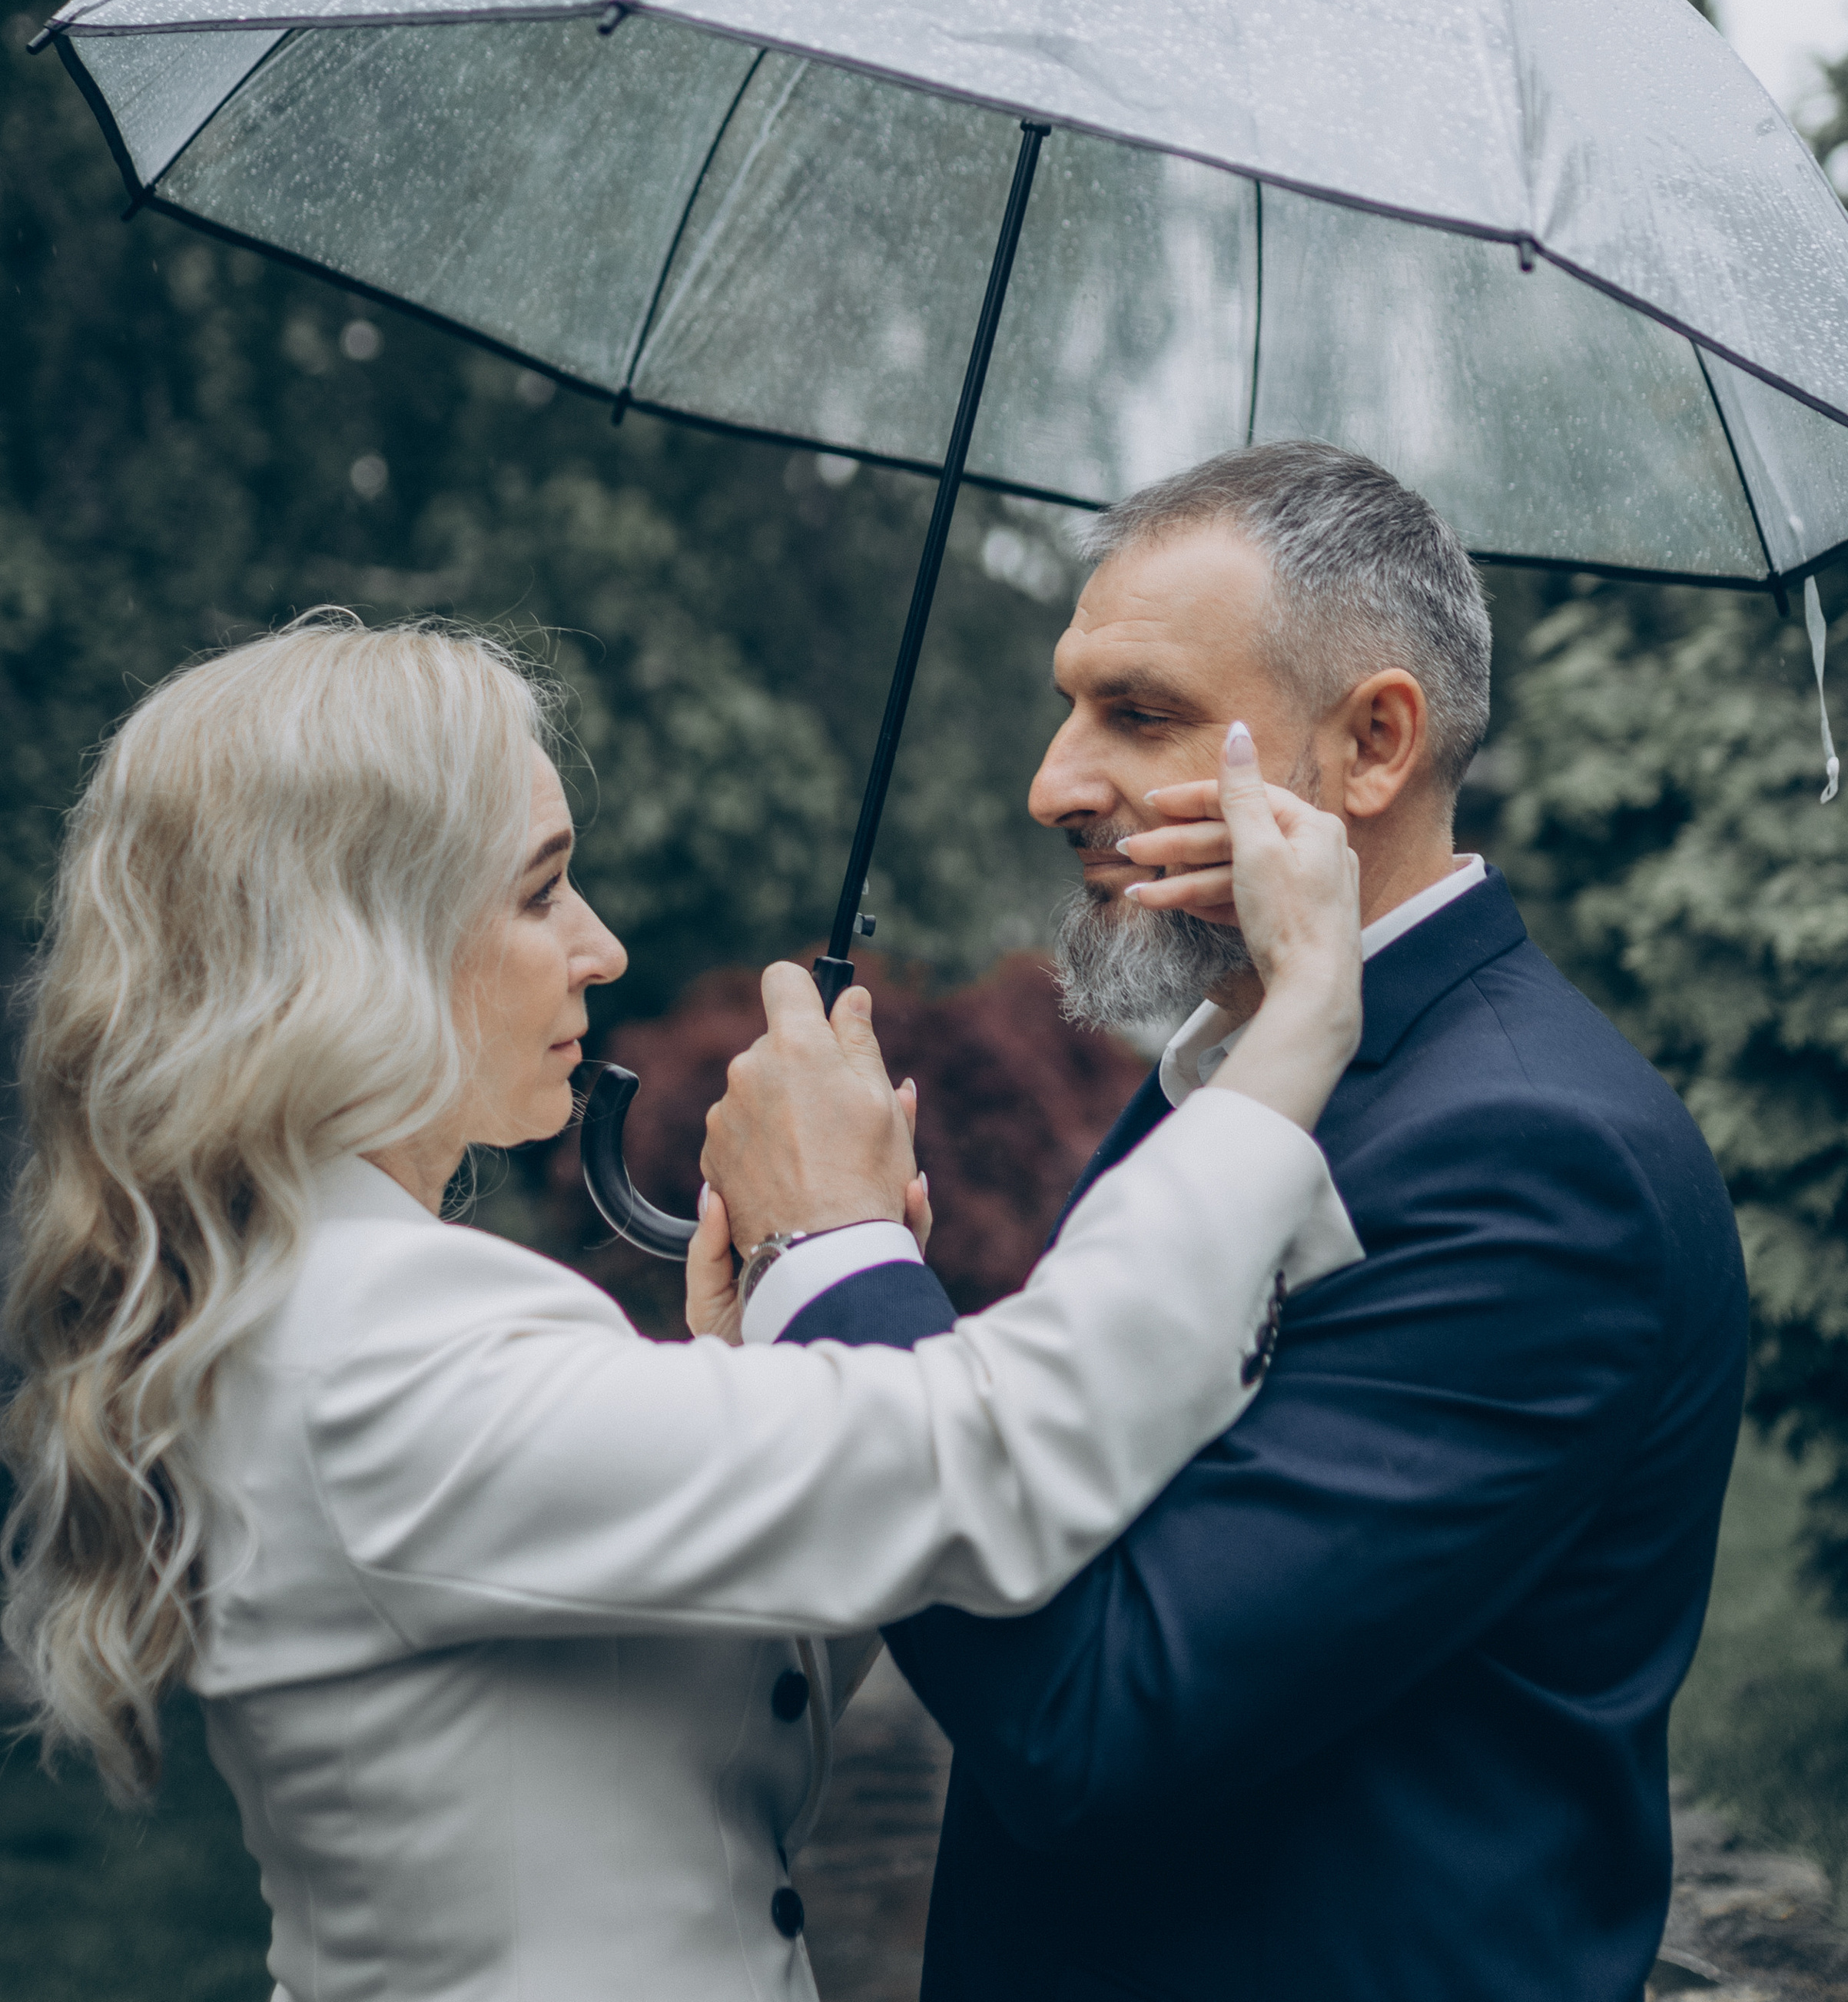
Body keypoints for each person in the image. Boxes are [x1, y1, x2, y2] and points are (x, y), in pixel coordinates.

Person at [0, 613, 1369, 2002]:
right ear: (352, 951)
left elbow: (700, 1702)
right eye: (540, 895)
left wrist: (750, 1350)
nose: (600, 948)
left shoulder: (351, 1308)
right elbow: (999, 1458)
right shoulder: (371, 1351)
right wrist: (1300, 1021)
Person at [760, 442, 1750, 2002]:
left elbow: (1097, 1715)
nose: (1050, 783)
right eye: (1068, 702)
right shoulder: (1244, 1070)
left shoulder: (1530, 1162)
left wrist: (827, 1264)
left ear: (1369, 743)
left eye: (1136, 714)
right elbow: (1059, 1491)